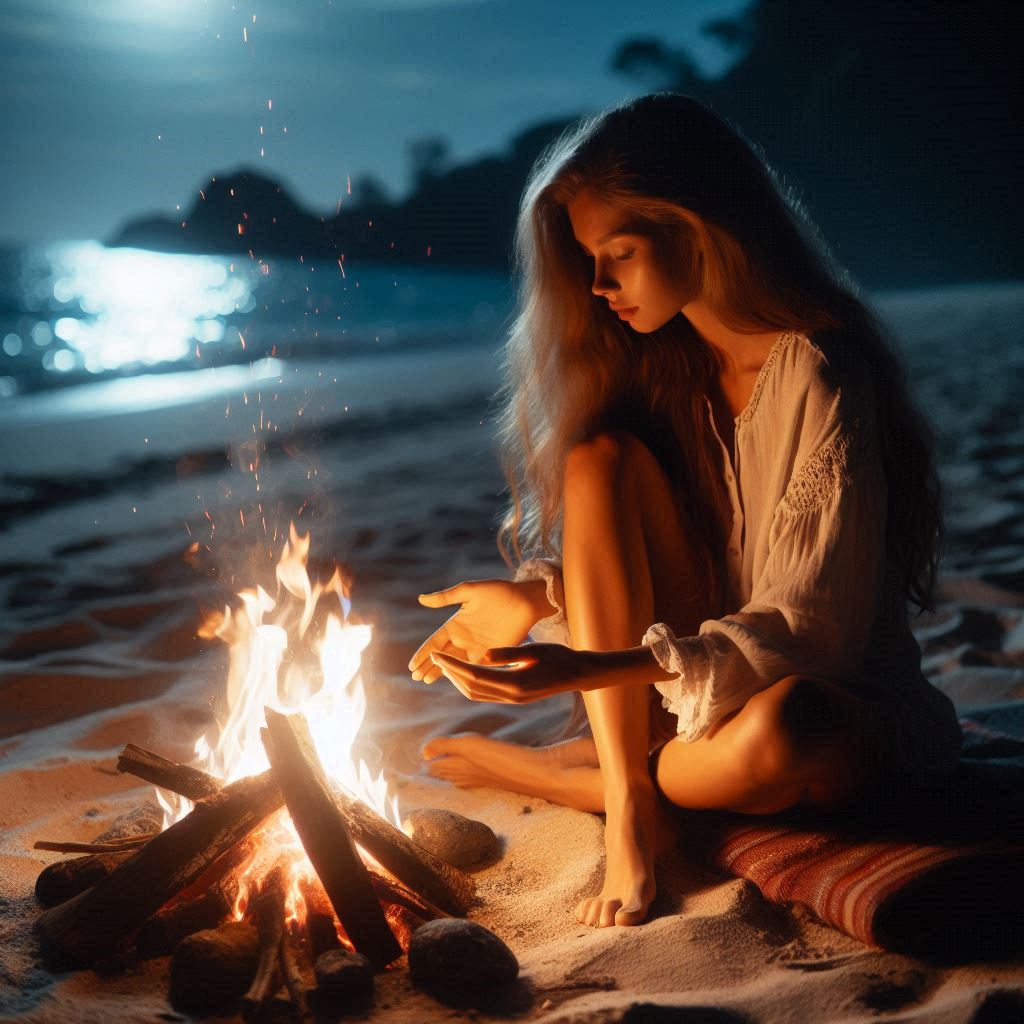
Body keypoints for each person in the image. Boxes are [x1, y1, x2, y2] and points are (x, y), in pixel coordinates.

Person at [407, 93, 962, 930]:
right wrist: (533, 602)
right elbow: (693, 575)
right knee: (598, 458)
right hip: (707, 711)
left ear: (697, 225)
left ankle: (578, 776)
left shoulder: (822, 371)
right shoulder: (672, 377)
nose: (596, 286)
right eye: (591, 259)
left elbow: (813, 634)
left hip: (839, 711)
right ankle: (631, 801)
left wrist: (590, 670)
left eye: (618, 253)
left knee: (786, 729)